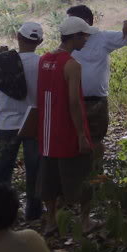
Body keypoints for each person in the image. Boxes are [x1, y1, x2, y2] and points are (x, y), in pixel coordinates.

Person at [37, 16, 97, 235]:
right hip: (68, 130)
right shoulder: (72, 65)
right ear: (75, 37)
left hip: (47, 132)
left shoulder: (44, 60)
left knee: (49, 178)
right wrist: (81, 134)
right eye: (84, 36)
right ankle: (84, 222)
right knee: (83, 174)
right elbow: (73, 101)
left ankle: (51, 221)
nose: (86, 40)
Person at [67, 5, 127, 172]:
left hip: (96, 101)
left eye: (71, 20)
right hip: (71, 100)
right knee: (72, 138)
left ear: (85, 21)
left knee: (95, 139)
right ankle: (76, 175)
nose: (68, 24)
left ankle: (96, 174)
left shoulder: (103, 38)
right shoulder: (67, 42)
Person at [0, 21, 44, 221]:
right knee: (34, 171)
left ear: (18, 37)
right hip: (33, 122)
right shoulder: (43, 63)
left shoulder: (2, 62)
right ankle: (34, 214)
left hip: (6, 124)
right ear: (40, 42)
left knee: (1, 172)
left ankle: (0, 216)